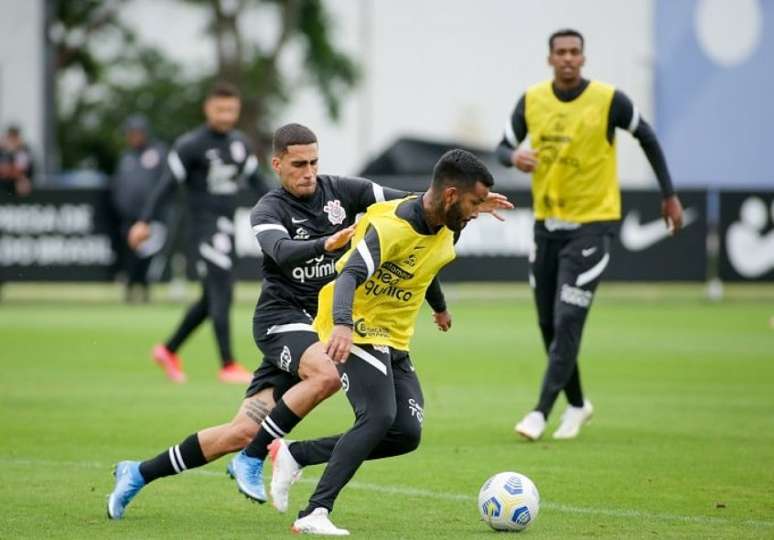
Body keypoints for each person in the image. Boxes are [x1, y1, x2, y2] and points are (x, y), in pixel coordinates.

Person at [106, 125, 512, 520]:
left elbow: (412, 202)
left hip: (317, 323)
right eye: (299, 164)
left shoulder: (341, 190)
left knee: (240, 430)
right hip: (282, 320)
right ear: (277, 164)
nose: (309, 172)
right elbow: (281, 251)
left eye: (314, 162)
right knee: (328, 373)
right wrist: (326, 244)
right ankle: (255, 459)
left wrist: (469, 202)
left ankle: (139, 472)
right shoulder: (268, 209)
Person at [277, 149, 496, 536]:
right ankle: (315, 512)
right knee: (377, 416)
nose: (477, 211)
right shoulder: (390, 226)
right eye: (474, 202)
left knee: (405, 434)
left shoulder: (451, 224)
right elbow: (349, 276)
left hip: (393, 335)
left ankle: (297, 453)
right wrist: (342, 325)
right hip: (352, 325)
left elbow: (427, 264)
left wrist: (440, 308)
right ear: (449, 195)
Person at [495, 29, 684, 441]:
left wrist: (668, 195)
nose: (567, 58)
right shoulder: (532, 101)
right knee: (548, 323)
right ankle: (578, 405)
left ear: (583, 58)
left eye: (574, 52)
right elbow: (501, 147)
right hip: (547, 228)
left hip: (593, 227)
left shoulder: (608, 100)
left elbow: (647, 136)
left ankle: (540, 413)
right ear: (550, 59)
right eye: (560, 52)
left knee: (567, 322)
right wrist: (514, 156)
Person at [128, 82, 263, 384]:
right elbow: (166, 185)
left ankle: (168, 349)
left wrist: (291, 206)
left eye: (231, 110)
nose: (226, 115)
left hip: (226, 228)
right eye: (220, 109)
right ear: (207, 108)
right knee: (222, 291)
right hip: (204, 228)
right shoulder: (190, 144)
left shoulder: (240, 143)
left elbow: (259, 183)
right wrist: (145, 221)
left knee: (211, 296)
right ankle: (227, 364)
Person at [111, 115, 169, 303]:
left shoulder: (158, 152)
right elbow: (119, 183)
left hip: (151, 216)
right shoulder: (126, 156)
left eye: (137, 133)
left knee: (147, 254)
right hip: (128, 215)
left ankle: (145, 289)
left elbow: (166, 183)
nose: (134, 137)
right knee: (129, 255)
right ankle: (129, 288)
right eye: (131, 133)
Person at [0, 125, 34, 197]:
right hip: (4, 182)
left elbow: (21, 170)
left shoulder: (23, 151)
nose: (13, 140)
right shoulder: (2, 151)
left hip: (17, 183)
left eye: (15, 137)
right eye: (11, 137)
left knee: (23, 185)